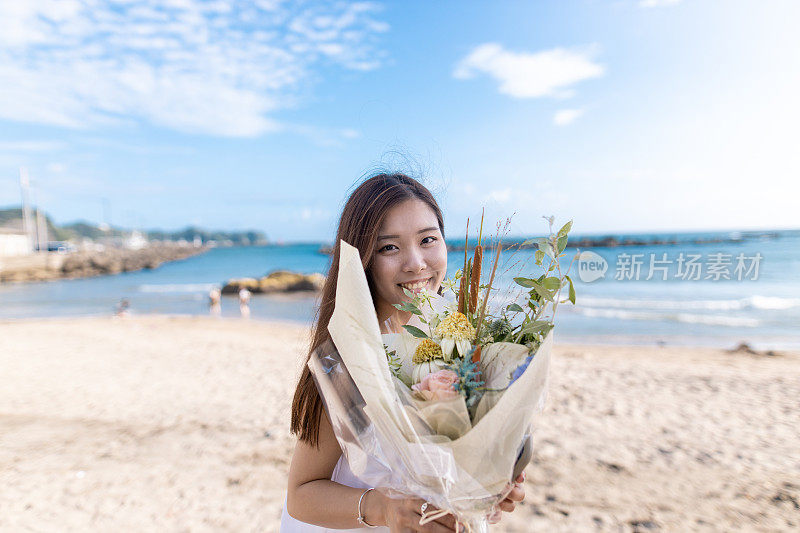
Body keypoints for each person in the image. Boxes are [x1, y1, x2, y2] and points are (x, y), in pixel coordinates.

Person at [282, 174, 525, 532]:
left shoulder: (461, 335)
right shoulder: (346, 360)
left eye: (428, 239)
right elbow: (300, 495)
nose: (416, 262)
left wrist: (489, 484)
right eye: (389, 248)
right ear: (361, 259)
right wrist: (382, 509)